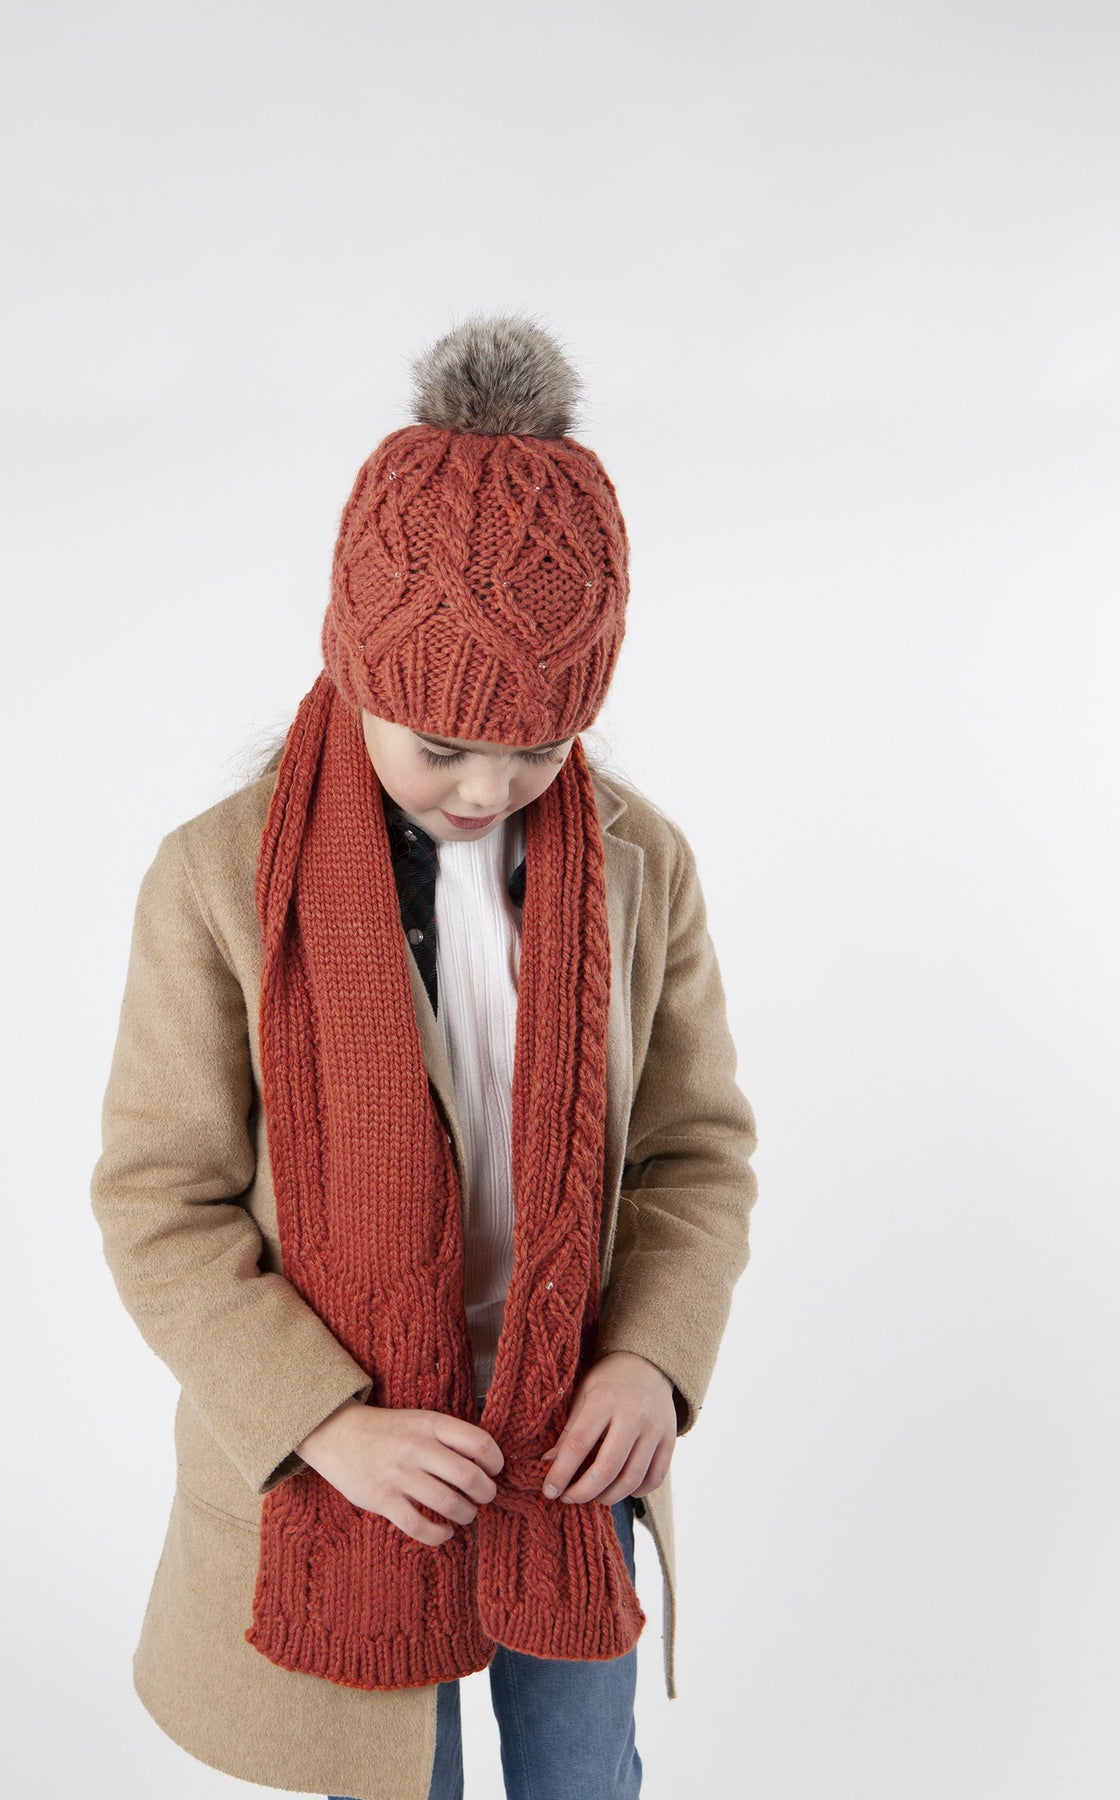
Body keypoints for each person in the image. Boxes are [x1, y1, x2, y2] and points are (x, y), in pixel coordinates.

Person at [89, 314, 759, 1800]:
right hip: (354, 1475)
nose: (488, 786)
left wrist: (653, 1357)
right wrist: (328, 1425)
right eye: (440, 742)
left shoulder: (641, 864)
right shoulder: (219, 882)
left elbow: (695, 1151)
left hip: (569, 1456)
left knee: (586, 1777)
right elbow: (158, 1202)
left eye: (537, 745)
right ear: (354, 665)